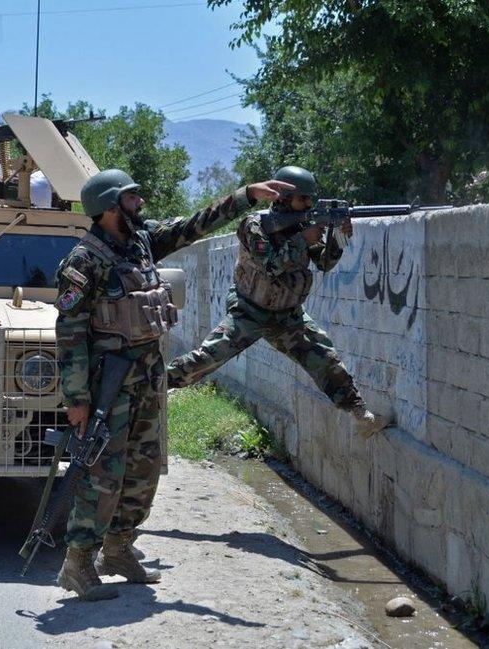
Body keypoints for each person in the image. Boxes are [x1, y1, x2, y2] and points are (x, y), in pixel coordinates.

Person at [54, 168, 292, 600]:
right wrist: (77, 400)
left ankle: (119, 550)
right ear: (108, 208)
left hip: (146, 378)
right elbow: (69, 336)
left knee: (144, 470)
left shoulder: (141, 242)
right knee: (103, 475)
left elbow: (193, 225)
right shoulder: (83, 262)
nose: (139, 204)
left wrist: (246, 196)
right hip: (108, 385)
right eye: (130, 199)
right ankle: (78, 562)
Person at [166, 165, 395, 438]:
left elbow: (324, 263)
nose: (308, 204)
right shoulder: (255, 225)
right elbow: (271, 265)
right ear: (283, 198)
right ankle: (155, 383)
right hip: (249, 311)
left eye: (310, 199)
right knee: (208, 357)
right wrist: (302, 239)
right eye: (303, 199)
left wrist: (338, 238)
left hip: (287, 315)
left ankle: (360, 414)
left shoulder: (302, 226)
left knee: (325, 357)